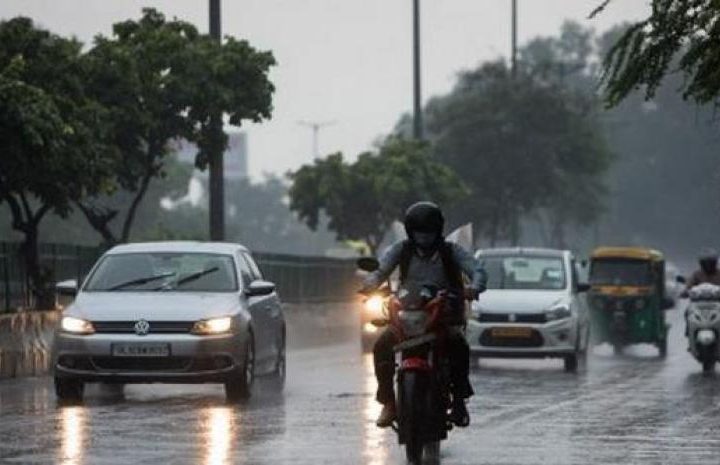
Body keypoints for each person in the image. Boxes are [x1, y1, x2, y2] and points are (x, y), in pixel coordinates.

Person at [361, 201, 487, 428]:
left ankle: (459, 402)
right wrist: (369, 284)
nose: (424, 238)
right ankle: (388, 403)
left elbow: (476, 269)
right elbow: (381, 270)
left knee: (458, 346)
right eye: (420, 233)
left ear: (438, 231)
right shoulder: (401, 250)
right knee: (381, 346)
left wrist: (475, 287)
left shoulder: (451, 251)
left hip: (444, 315)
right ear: (411, 231)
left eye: (429, 232)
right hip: (408, 314)